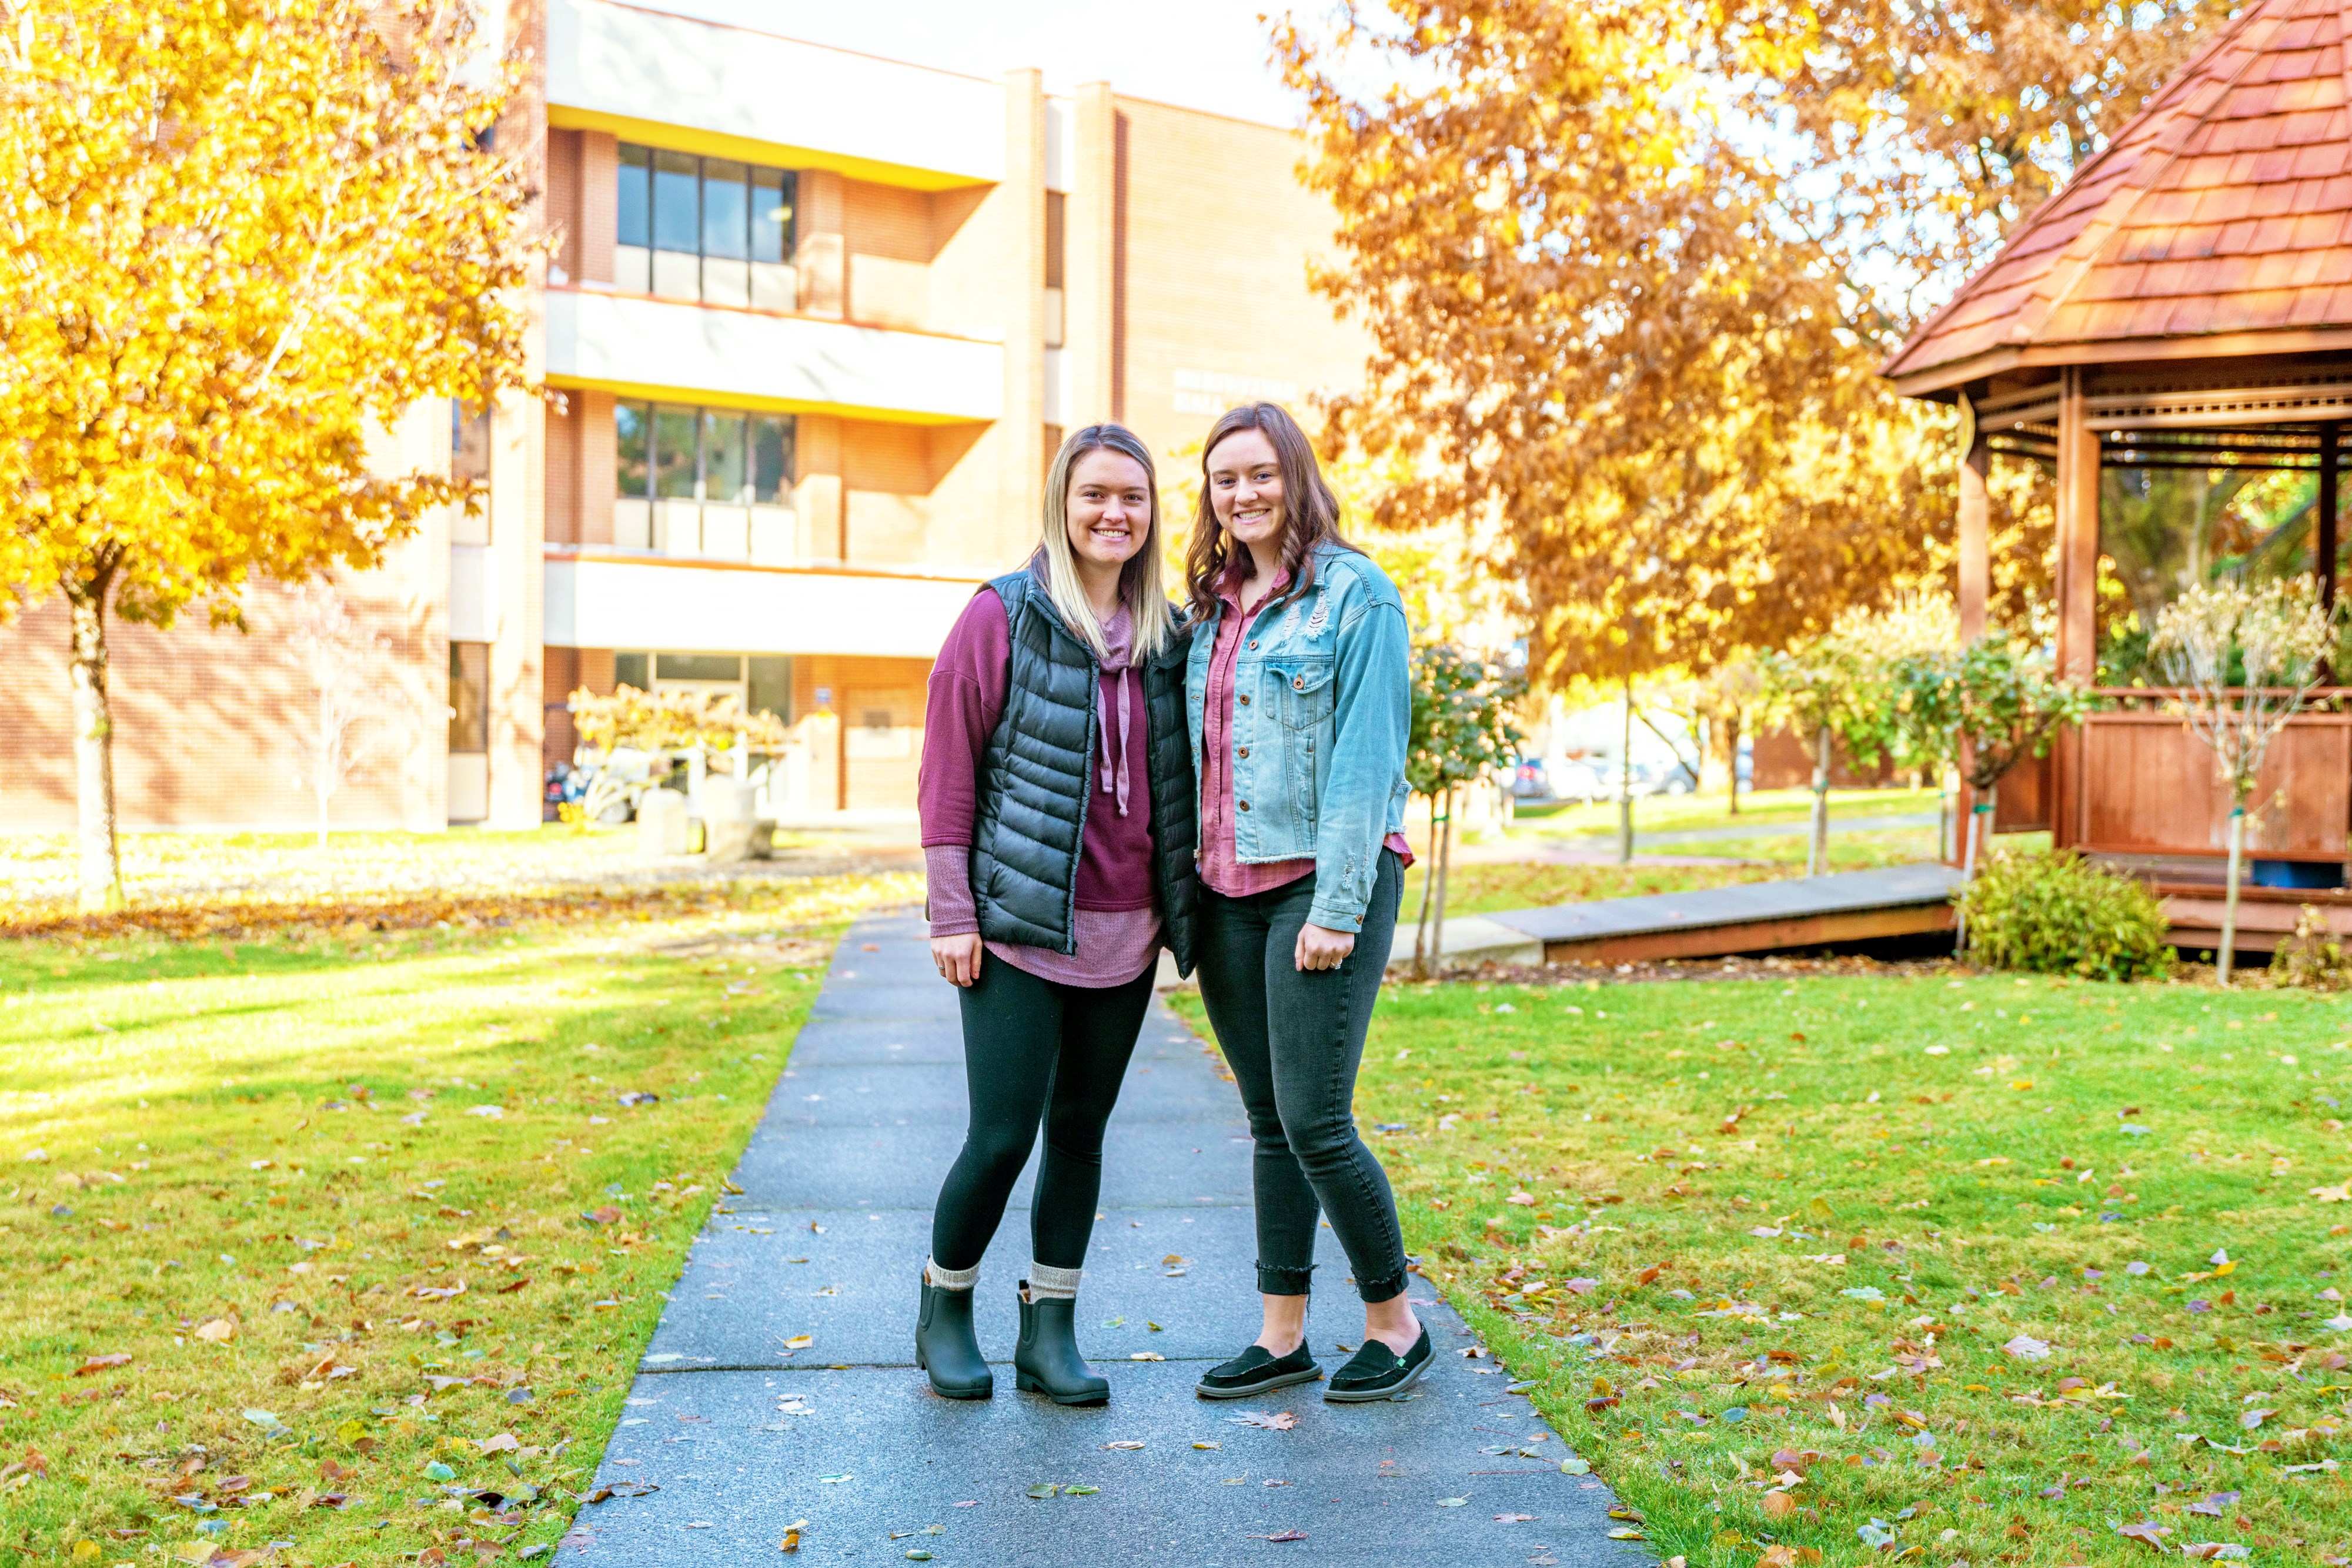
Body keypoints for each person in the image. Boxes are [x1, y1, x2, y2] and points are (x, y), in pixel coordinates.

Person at [912, 423, 1197, 1406]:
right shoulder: (1001, 617)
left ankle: (1050, 1330)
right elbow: (948, 774)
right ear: (1061, 506)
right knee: (1002, 1135)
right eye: (1095, 496)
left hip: (1127, 933)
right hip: (1018, 927)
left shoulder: (1170, 635)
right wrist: (953, 913)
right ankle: (945, 1308)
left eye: (1134, 496)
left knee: (1080, 1132)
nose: (1114, 513)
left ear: (1153, 514)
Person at [1182, 402, 1428, 1403]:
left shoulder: (1356, 598)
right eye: (1223, 478)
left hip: (1320, 888)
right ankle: (1282, 1336)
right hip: (1226, 890)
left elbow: (1368, 765)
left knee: (1317, 1119)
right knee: (1268, 1120)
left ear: (1298, 475)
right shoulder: (1208, 608)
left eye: (1260, 473)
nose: (1242, 494)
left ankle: (1395, 1322)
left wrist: (1337, 906)